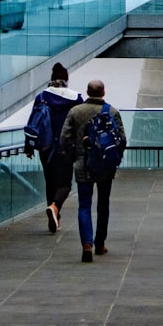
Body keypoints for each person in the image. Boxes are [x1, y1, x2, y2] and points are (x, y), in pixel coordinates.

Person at [60, 79, 126, 263]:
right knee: (103, 205)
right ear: (103, 92)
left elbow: (64, 138)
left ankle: (86, 244)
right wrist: (114, 158)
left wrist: (75, 155)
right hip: (105, 165)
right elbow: (122, 139)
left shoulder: (75, 111)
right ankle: (100, 243)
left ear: (87, 92)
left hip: (83, 164)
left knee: (84, 205)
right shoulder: (112, 112)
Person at [25, 63, 83, 233]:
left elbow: (33, 123)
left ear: (51, 79)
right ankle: (55, 207)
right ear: (66, 79)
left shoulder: (42, 97)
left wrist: (29, 146)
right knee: (65, 184)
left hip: (46, 147)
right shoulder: (76, 98)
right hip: (66, 148)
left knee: (50, 182)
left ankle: (54, 217)